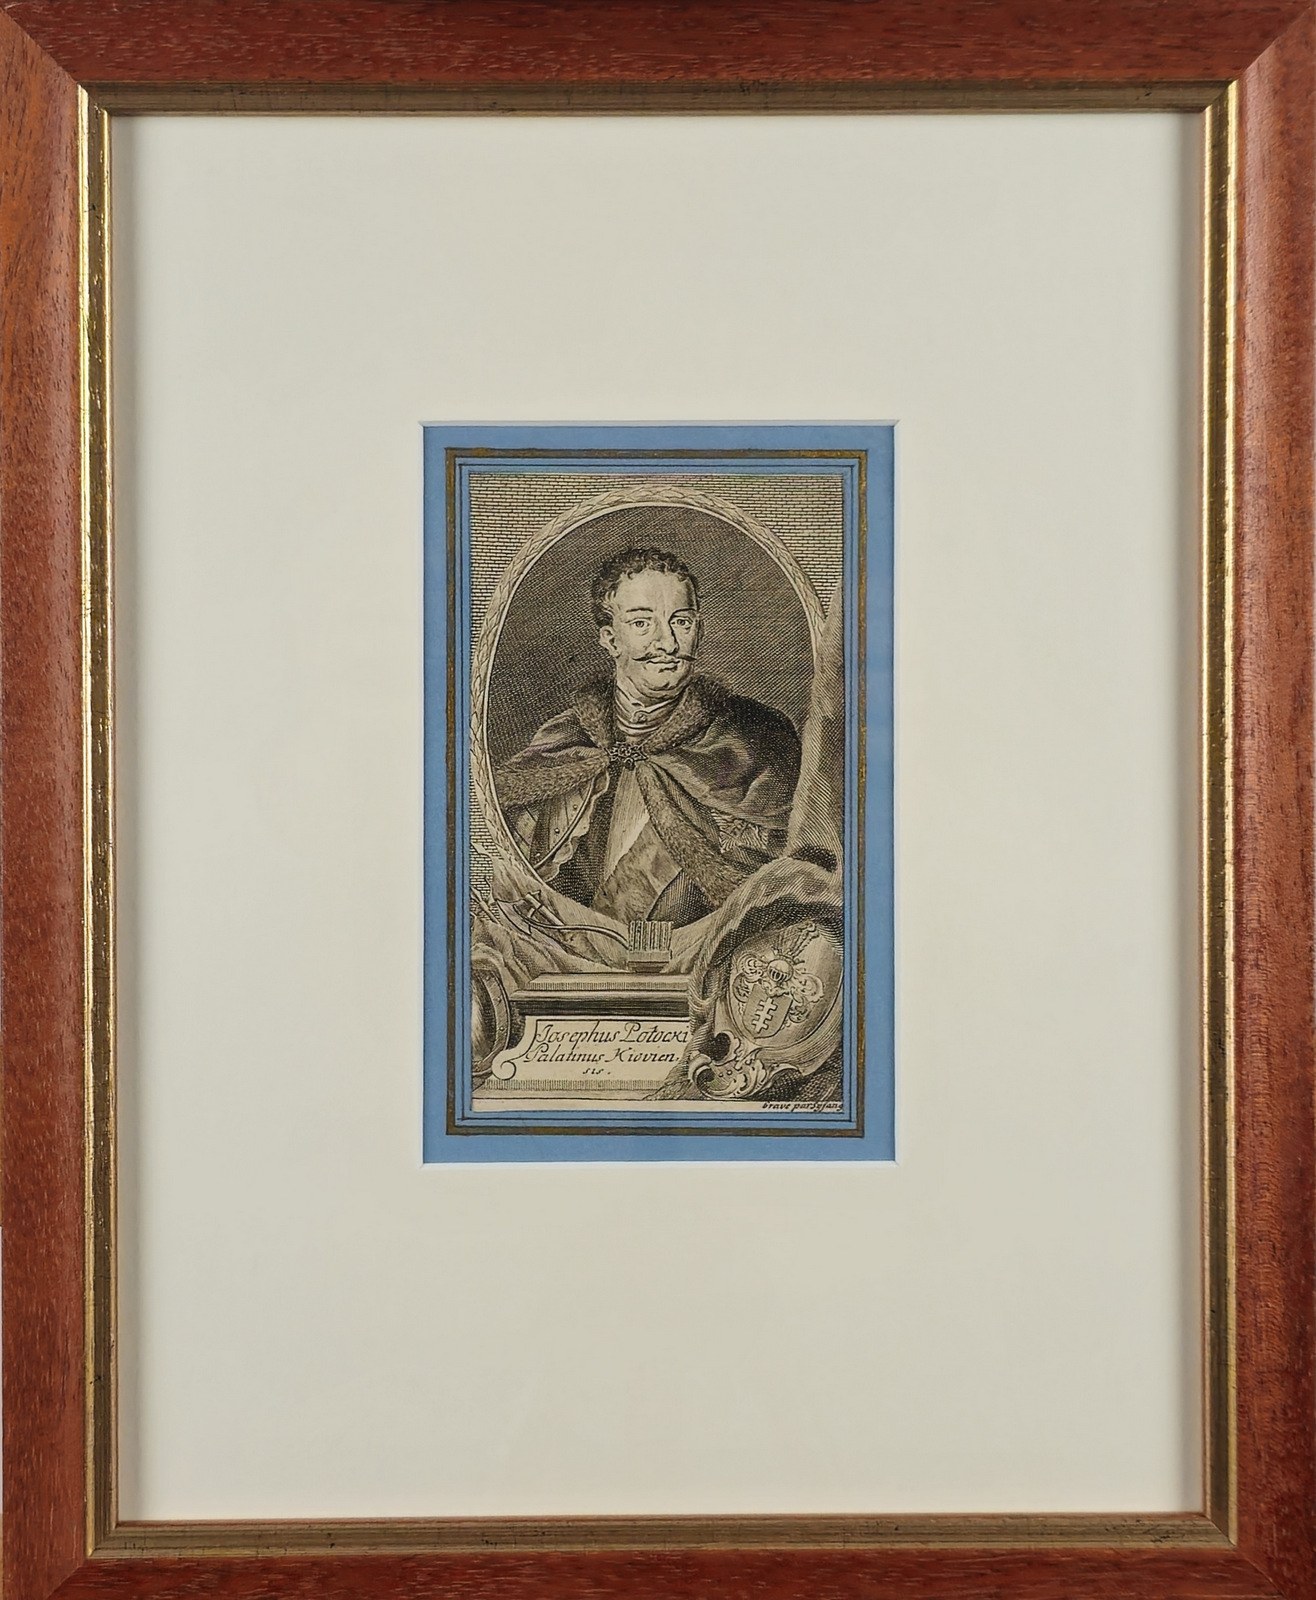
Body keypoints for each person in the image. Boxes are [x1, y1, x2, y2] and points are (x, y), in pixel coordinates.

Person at [494, 547, 802, 929]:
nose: (668, 643)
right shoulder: (565, 739)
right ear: (610, 639)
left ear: (699, 629)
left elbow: (789, 887)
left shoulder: (756, 738)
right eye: (642, 623)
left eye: (681, 622)